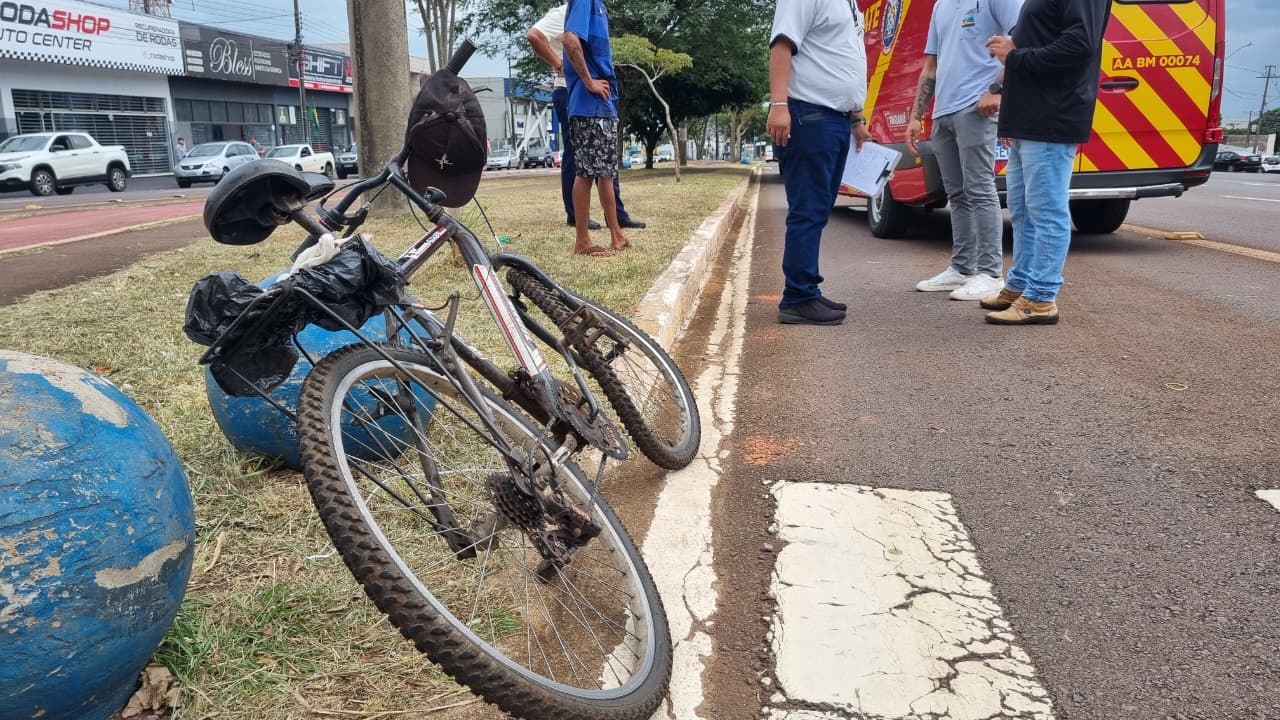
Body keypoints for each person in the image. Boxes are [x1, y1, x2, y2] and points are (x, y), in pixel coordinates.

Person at [982, 0, 1112, 324]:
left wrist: (1016, 55)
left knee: (1046, 211)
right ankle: (1021, 284)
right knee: (1024, 210)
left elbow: (1079, 43)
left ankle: (1041, 298)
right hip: (1031, 115)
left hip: (1052, 115)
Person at [907, 0, 1024, 302]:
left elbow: (1022, 39)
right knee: (956, 193)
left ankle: (990, 273)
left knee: (980, 188)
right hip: (943, 112)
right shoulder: (940, 6)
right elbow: (930, 66)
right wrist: (916, 116)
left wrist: (996, 90)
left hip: (976, 108)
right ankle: (962, 268)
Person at [767, 0, 870, 325]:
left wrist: (856, 119)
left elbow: (840, 58)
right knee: (808, 209)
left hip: (837, 118)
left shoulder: (851, 5)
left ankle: (806, 288)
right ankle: (798, 297)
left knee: (819, 209)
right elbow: (782, 45)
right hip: (811, 115)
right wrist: (778, 104)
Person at [527, 3, 645, 238]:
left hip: (596, 97)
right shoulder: (572, 8)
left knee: (604, 164)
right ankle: (578, 223)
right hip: (577, 95)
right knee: (581, 162)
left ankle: (616, 224)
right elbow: (537, 36)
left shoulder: (596, 9)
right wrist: (563, 66)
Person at [561, 0, 629, 257]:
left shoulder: (598, 5)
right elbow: (569, 39)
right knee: (587, 173)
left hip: (603, 105)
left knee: (606, 173)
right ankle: (583, 241)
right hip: (589, 106)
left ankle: (617, 234)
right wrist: (589, 82)